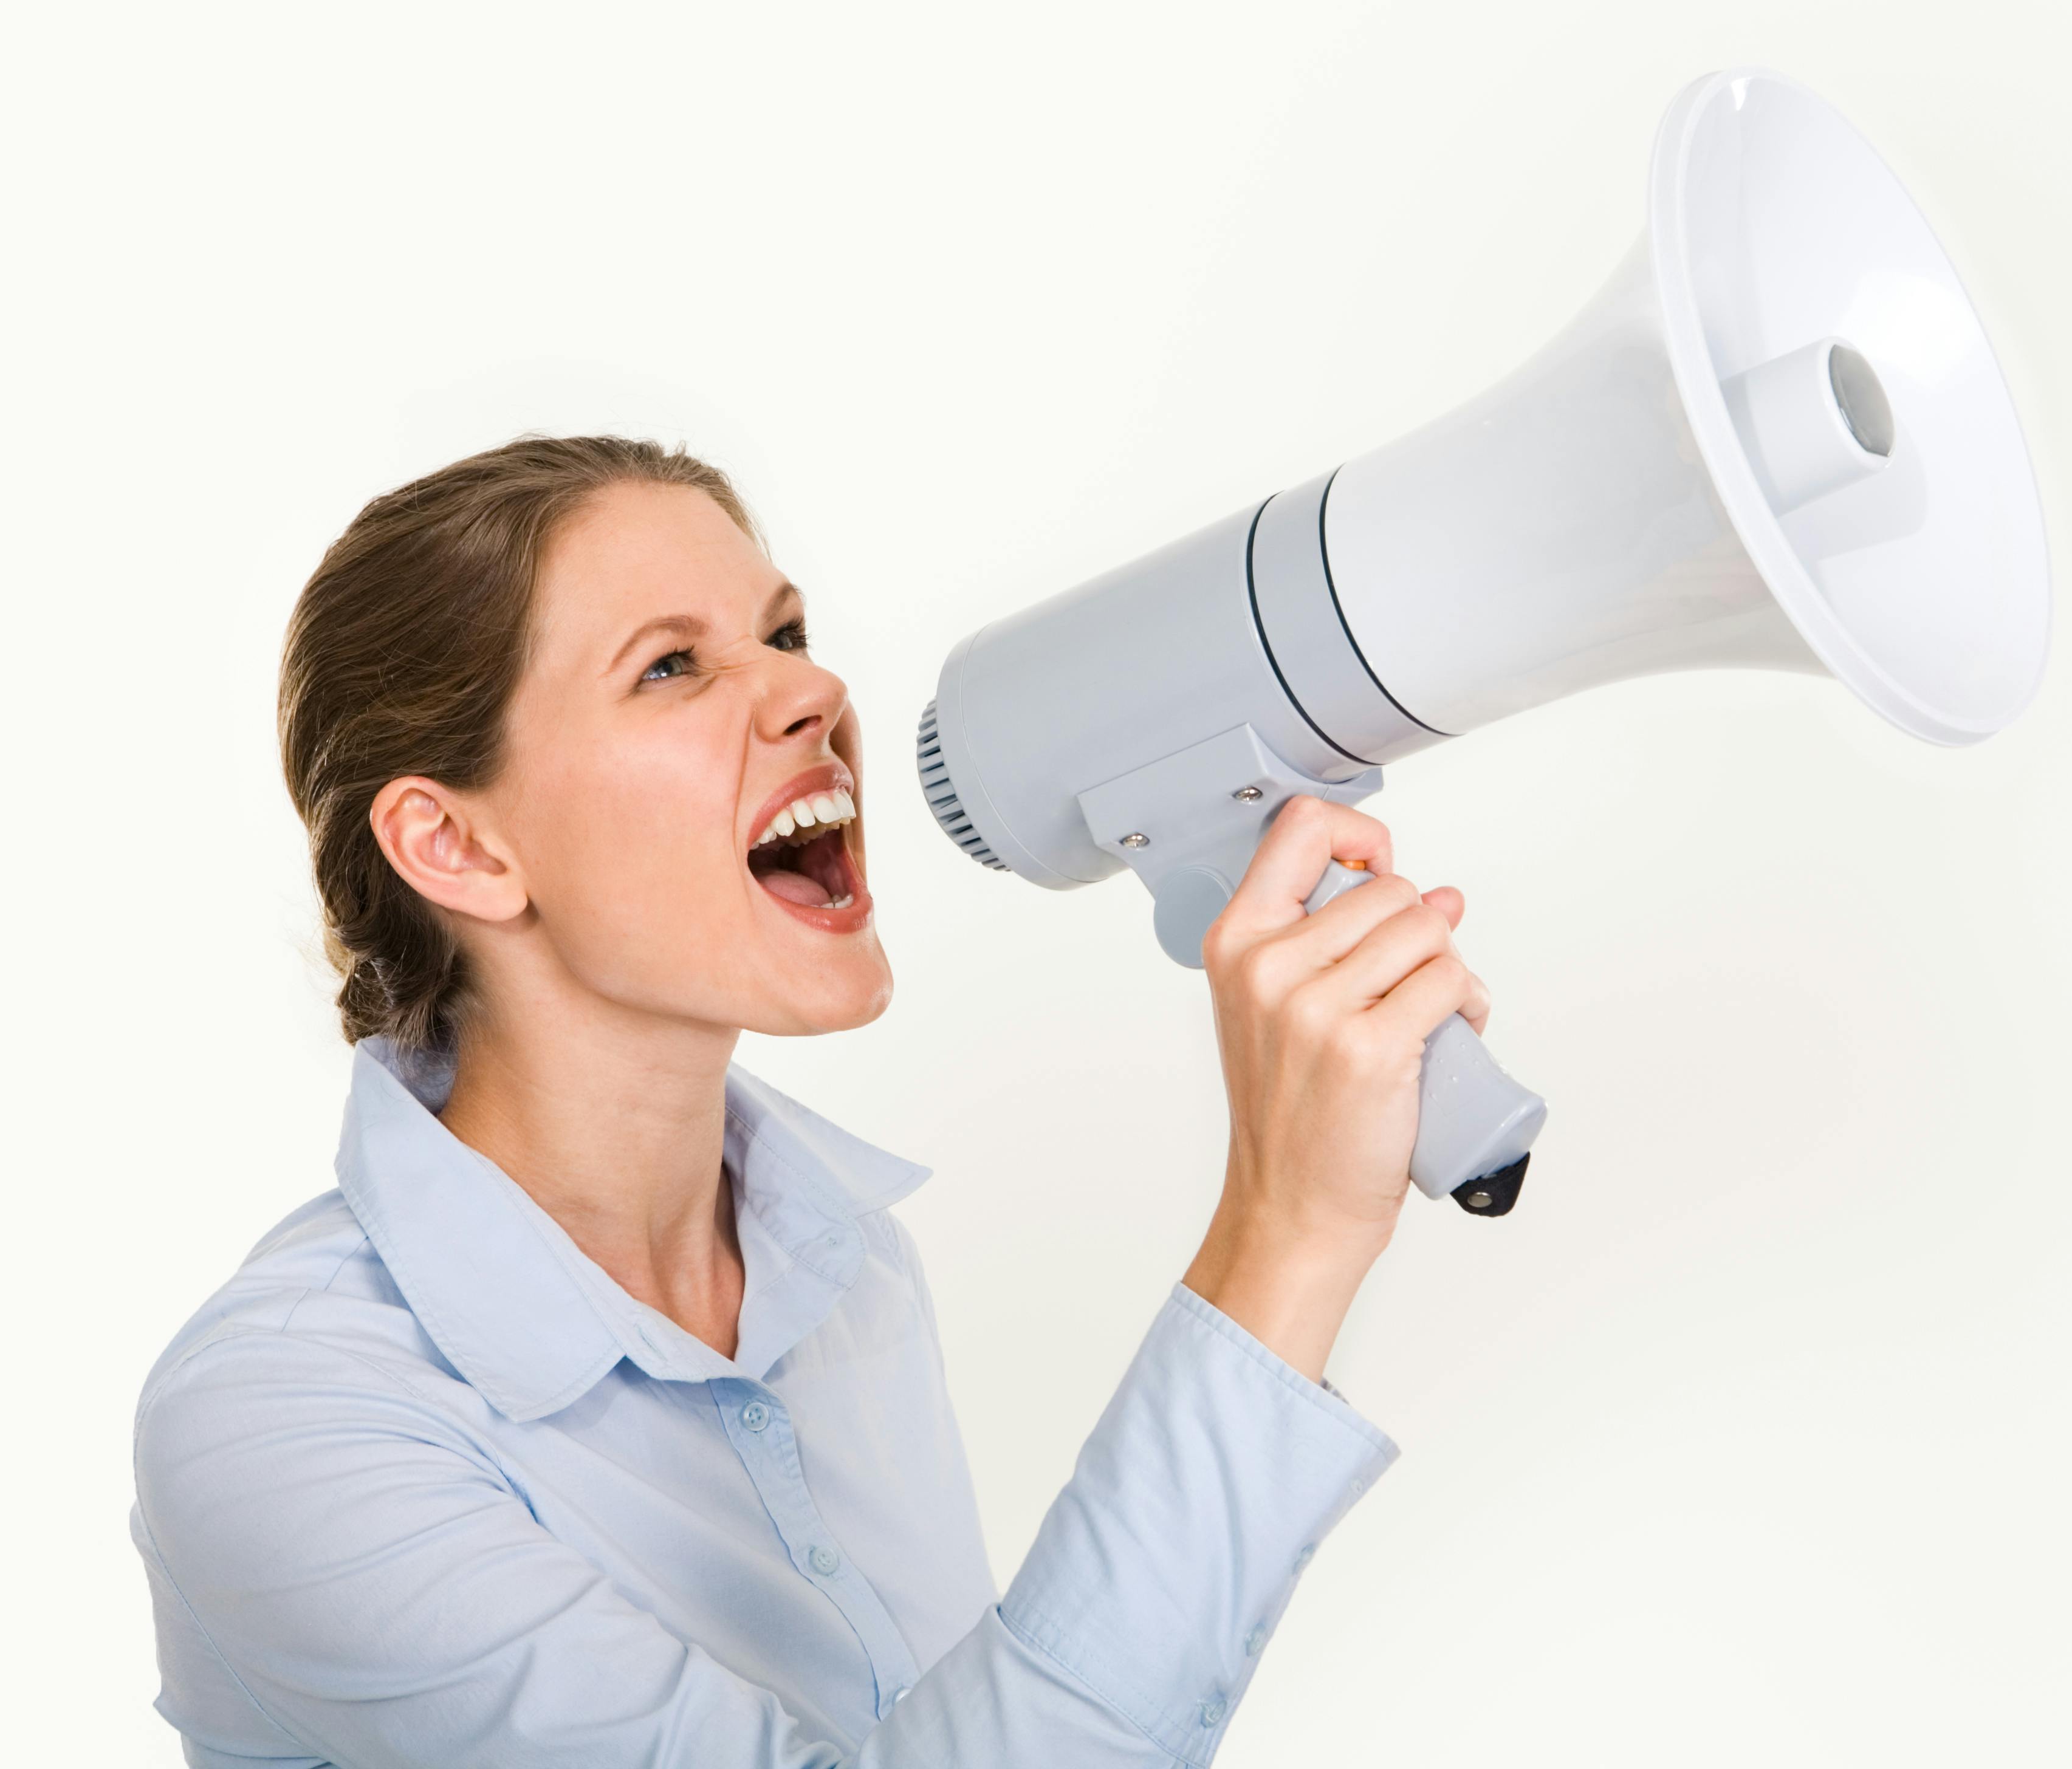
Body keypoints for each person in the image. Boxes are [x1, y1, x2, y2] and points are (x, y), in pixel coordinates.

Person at [131, 436, 1494, 1768]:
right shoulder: (287, 1419)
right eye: (671, 666)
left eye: (784, 634)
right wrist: (1287, 1234)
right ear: (459, 846)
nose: (813, 688)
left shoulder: (844, 1268)